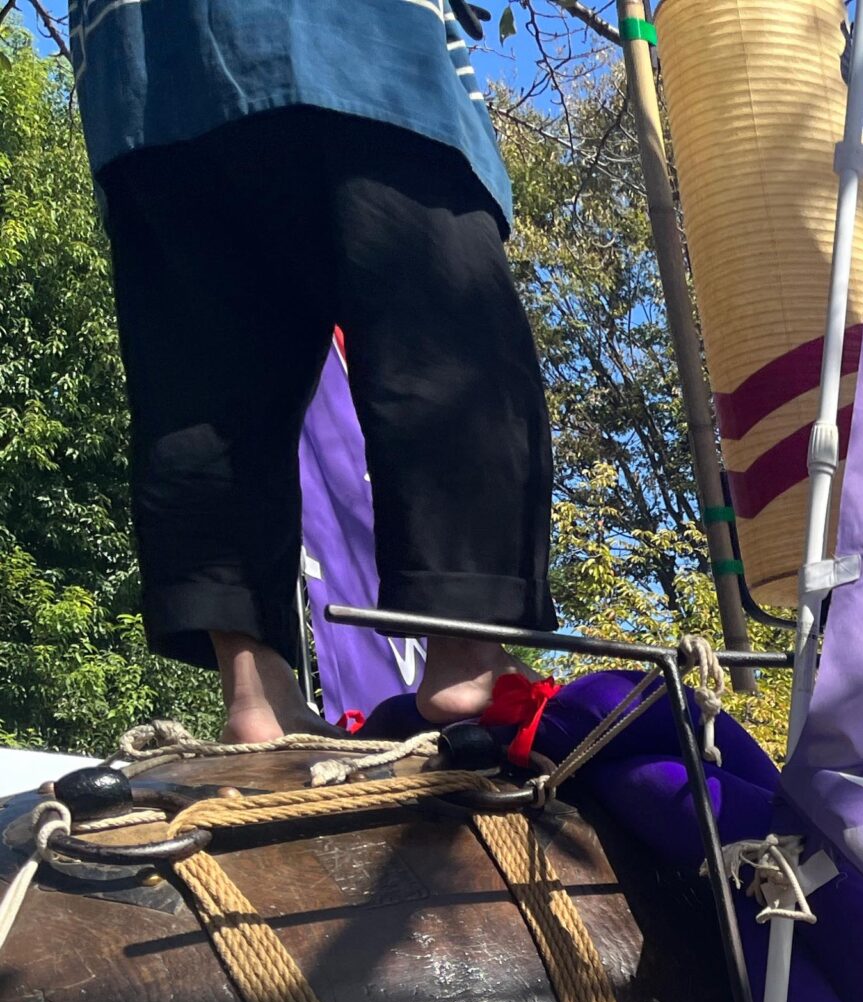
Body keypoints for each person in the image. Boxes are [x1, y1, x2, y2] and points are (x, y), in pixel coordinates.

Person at [73, 0, 545, 743]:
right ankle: (461, 652)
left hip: (148, 64)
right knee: (441, 334)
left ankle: (254, 692)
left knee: (205, 387)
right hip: (360, 41)